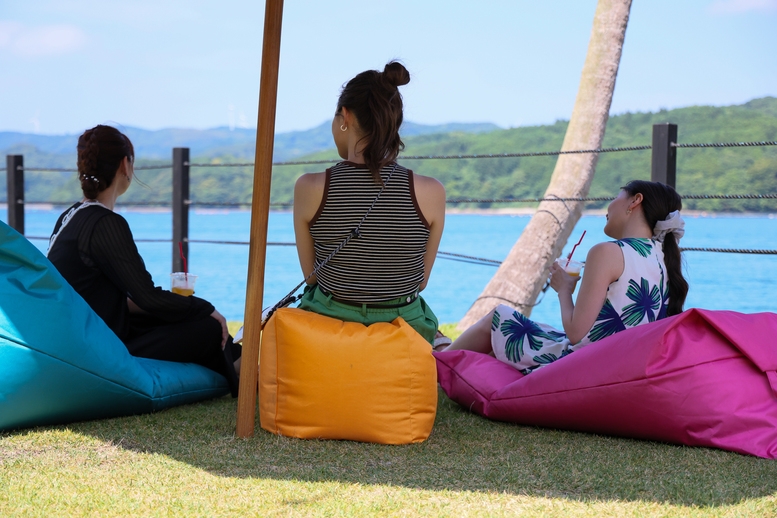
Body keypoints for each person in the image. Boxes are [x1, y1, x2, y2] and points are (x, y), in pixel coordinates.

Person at [47, 125, 241, 396]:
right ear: (125, 165)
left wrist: (180, 307)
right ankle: (240, 367)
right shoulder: (106, 224)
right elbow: (148, 297)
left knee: (172, 317)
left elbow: (113, 296)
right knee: (207, 327)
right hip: (101, 347)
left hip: (80, 334)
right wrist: (206, 308)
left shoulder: (71, 216)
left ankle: (237, 361)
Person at [445, 180, 688, 374]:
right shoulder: (663, 256)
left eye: (617, 196)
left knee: (499, 316)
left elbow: (576, 334)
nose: (609, 205)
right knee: (536, 331)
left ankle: (435, 368)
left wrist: (564, 289)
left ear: (635, 201)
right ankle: (449, 360)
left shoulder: (608, 252)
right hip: (623, 366)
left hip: (582, 367)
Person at [292, 61, 446, 345]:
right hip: (403, 327)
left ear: (345, 116)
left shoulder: (310, 187)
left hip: (331, 326)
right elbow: (419, 282)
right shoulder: (431, 192)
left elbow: (312, 278)